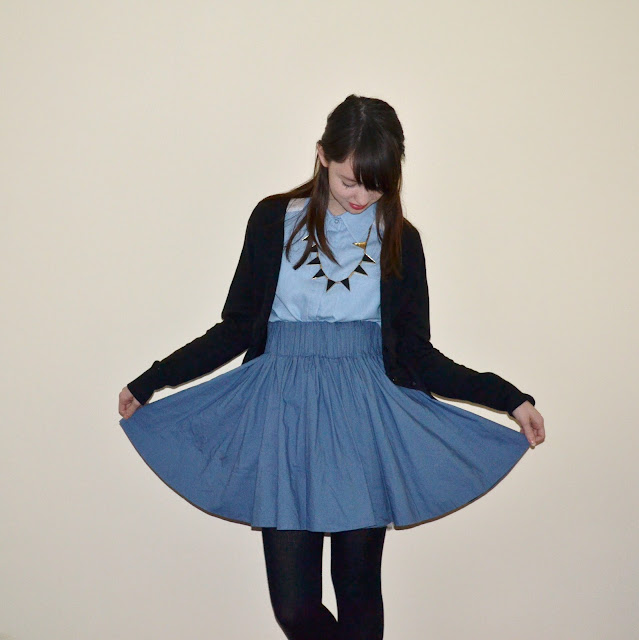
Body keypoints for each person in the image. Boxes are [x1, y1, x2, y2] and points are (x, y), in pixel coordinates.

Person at [118, 94, 545, 640]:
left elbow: (417, 354)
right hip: (284, 414)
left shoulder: (400, 239)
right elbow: (237, 327)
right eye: (349, 181)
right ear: (322, 155)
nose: (362, 196)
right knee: (294, 608)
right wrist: (153, 379)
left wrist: (509, 397)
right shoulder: (273, 220)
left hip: (364, 417)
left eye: (376, 186)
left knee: (358, 595)